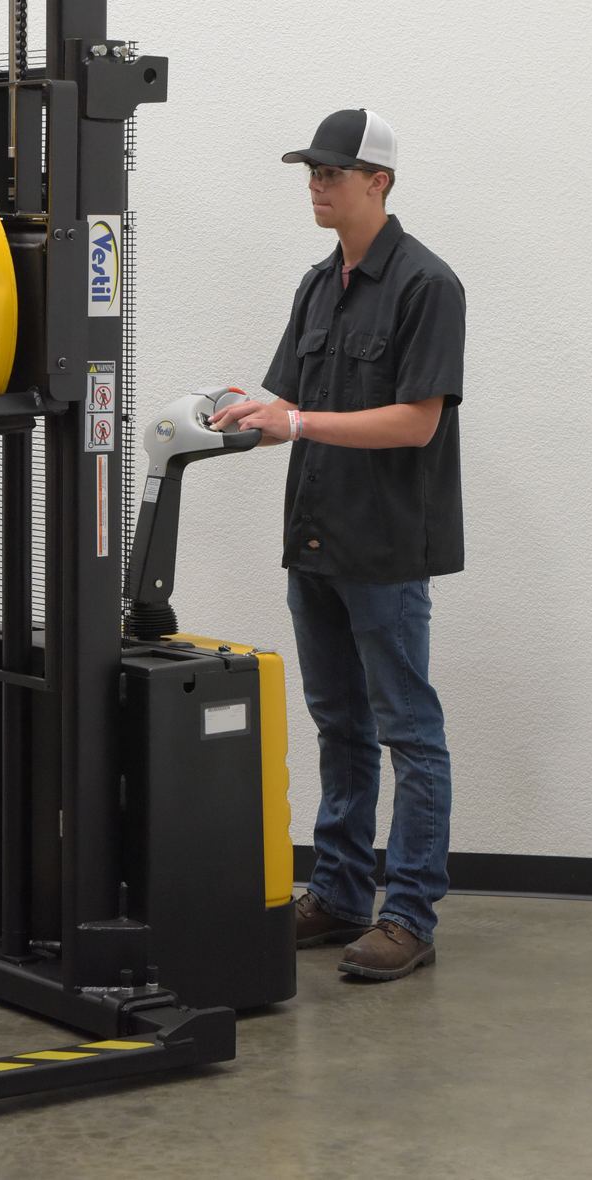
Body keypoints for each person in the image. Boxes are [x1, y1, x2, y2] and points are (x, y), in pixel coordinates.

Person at [211, 108, 464, 981]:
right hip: (314, 540)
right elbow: (287, 400)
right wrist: (239, 409)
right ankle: (342, 893)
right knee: (339, 726)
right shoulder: (319, 285)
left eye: (331, 173)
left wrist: (298, 421)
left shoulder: (428, 286)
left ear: (378, 182)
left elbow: (416, 421)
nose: (316, 186)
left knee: (409, 732)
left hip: (384, 549)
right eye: (311, 173)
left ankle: (409, 915)